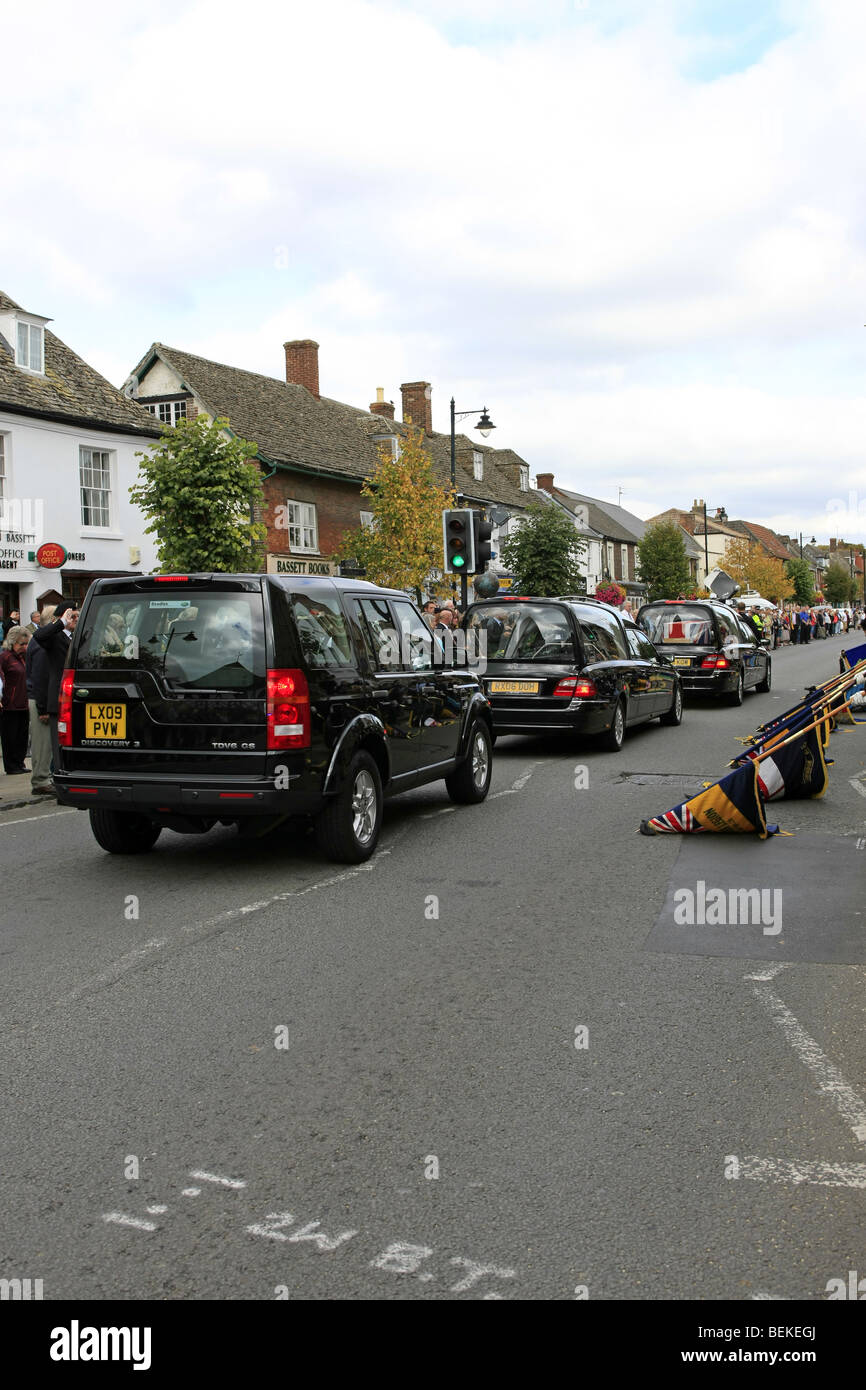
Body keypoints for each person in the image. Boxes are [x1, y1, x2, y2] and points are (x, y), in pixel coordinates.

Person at [31, 600, 79, 770]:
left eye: (76, 616)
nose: (75, 620)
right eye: (72, 617)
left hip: (76, 698)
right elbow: (39, 636)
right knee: (58, 746)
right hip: (59, 699)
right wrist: (61, 622)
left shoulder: (76, 637)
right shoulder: (54, 637)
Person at [0, 626, 31, 774]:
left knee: (22, 737)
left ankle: (19, 763)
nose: (24, 647)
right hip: (10, 704)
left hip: (23, 702)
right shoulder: (5, 657)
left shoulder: (23, 657)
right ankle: (11, 766)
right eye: (21, 644)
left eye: (26, 644)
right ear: (12, 643)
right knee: (10, 737)